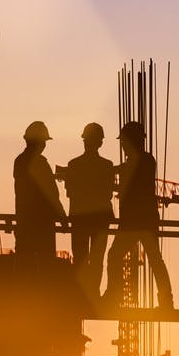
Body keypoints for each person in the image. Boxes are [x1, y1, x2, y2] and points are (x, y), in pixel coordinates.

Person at [103, 121, 174, 310]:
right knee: (154, 260)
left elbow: (130, 175)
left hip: (135, 221)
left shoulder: (144, 161)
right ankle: (166, 300)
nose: (123, 146)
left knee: (116, 256)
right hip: (142, 220)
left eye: (124, 142)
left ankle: (112, 297)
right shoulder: (144, 161)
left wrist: (106, 172)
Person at [58, 123, 115, 297]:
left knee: (81, 259)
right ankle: (92, 293)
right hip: (99, 218)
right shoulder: (107, 166)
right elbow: (107, 193)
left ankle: (82, 293)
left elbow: (71, 193)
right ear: (100, 143)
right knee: (97, 259)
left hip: (80, 218)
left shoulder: (73, 165)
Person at [13, 120, 65, 262]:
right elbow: (52, 194)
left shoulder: (19, 161)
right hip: (43, 225)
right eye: (43, 142)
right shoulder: (41, 164)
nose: (44, 145)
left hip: (24, 222)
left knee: (25, 267)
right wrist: (62, 218)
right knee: (46, 267)